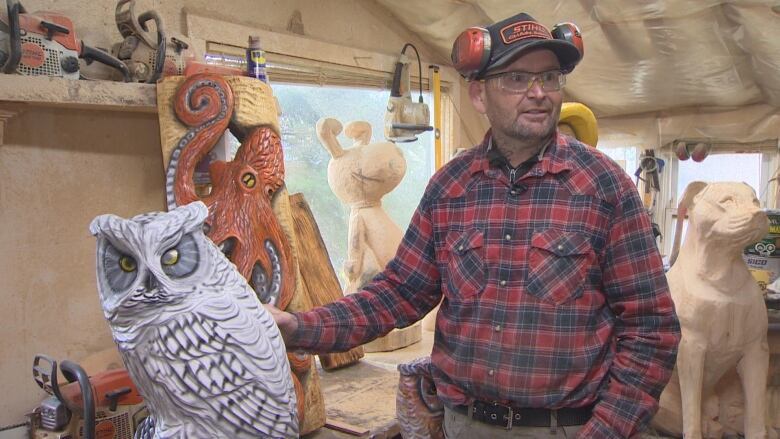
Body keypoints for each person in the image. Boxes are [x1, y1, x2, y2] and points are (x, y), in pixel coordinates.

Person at [268, 11, 681, 439]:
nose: (538, 93)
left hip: (566, 428)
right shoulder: (451, 187)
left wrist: (607, 430)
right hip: (462, 424)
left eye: (550, 78)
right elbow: (398, 293)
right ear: (479, 94)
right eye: (517, 79)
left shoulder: (603, 186)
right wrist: (299, 327)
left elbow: (651, 329)